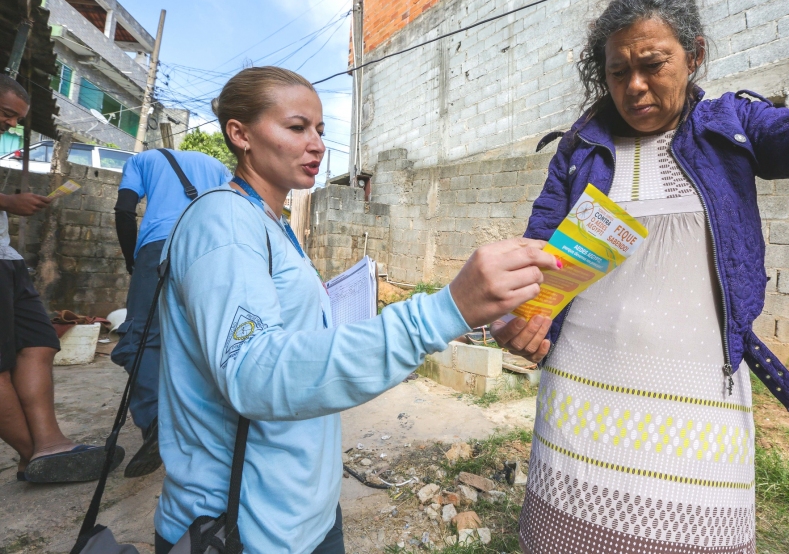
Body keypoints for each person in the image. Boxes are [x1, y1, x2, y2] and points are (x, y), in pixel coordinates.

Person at [493, 0, 789, 552]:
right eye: (618, 71)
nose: (635, 86)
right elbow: (540, 251)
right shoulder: (580, 148)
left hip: (694, 406)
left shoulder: (731, 129)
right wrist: (520, 316)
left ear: (693, 58)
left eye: (653, 64)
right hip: (579, 402)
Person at [152, 66, 557, 554]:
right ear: (239, 134)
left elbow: (293, 344)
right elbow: (254, 374)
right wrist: (441, 311)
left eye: (320, 130)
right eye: (297, 127)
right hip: (244, 529)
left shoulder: (271, 223)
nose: (318, 144)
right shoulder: (224, 222)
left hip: (302, 511)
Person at [0, 75, 124, 484]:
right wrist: (6, 200)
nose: (9, 124)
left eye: (15, 118)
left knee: (40, 342)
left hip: (7, 259)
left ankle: (51, 445)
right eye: (6, 113)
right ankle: (34, 454)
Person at [112, 146, 231, 478]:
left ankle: (155, 420)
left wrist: (130, 259)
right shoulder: (217, 165)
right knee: (203, 334)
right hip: (213, 246)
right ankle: (211, 422)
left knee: (139, 336)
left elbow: (124, 209)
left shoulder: (141, 160)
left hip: (160, 244)